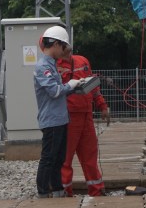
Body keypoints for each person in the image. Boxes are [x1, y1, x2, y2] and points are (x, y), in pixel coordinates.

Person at [33, 25, 82, 198]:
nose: (64, 52)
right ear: (54, 44)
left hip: (60, 119)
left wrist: (77, 86)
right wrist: (71, 84)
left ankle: (58, 189)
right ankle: (44, 192)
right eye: (63, 48)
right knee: (49, 158)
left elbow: (60, 89)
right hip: (52, 120)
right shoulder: (42, 67)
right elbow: (54, 91)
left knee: (59, 158)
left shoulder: (51, 65)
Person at [57, 52, 109, 197]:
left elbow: (93, 87)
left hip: (86, 115)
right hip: (68, 117)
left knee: (90, 156)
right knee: (65, 158)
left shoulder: (82, 61)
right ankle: (64, 191)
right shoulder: (54, 65)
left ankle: (97, 189)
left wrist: (102, 105)